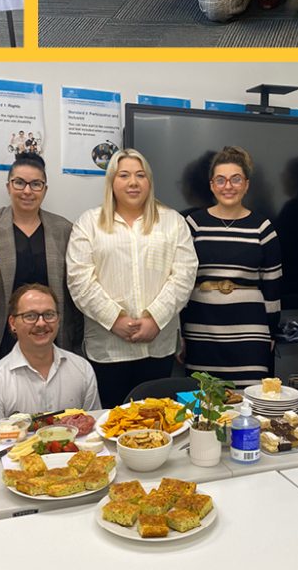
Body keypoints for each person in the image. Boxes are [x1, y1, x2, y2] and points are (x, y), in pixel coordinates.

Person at [65, 148, 197, 406]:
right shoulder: (88, 223)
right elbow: (80, 280)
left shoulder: (173, 222)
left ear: (149, 181)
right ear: (112, 181)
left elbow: (184, 275)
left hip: (158, 345)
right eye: (124, 175)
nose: (133, 182)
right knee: (113, 425)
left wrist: (155, 319)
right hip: (108, 348)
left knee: (158, 425)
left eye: (140, 175)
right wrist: (115, 318)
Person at [0, 151, 79, 372]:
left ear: (45, 189)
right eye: (19, 183)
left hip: (48, 335)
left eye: (36, 184)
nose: (27, 191)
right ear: (8, 187)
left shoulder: (63, 229)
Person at [179, 146, 281, 380]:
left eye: (236, 179)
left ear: (246, 184)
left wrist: (271, 333)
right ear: (212, 185)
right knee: (202, 404)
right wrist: (180, 331)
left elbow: (273, 286)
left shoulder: (263, 228)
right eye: (221, 180)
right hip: (201, 329)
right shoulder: (193, 224)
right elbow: (180, 283)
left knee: (250, 405)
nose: (228, 186)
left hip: (251, 332)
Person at [0, 283, 101, 426]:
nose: (41, 323)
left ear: (58, 320)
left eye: (49, 315)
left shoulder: (82, 370)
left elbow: (94, 431)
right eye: (30, 316)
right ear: (12, 323)